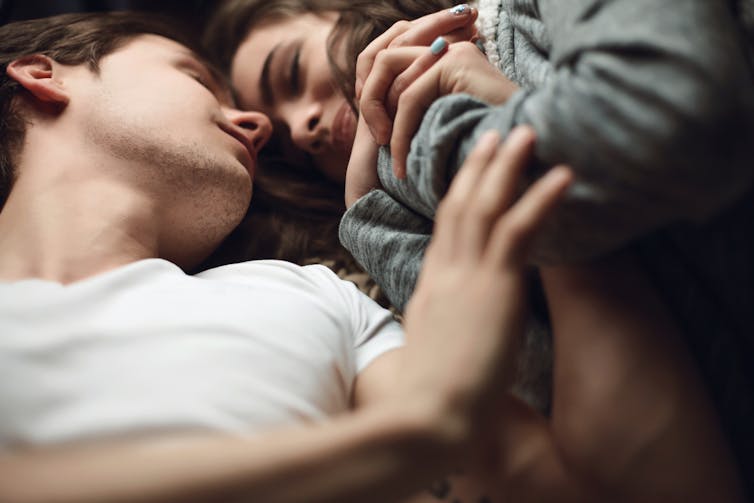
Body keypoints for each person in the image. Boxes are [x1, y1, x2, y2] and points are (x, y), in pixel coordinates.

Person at [0, 11, 743, 502]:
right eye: (196, 79)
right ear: (43, 76)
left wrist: (511, 173)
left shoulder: (314, 296)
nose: (264, 125)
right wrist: (415, 428)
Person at [210, 0, 754, 491]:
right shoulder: (403, 188)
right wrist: (368, 218)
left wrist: (492, 103)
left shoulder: (523, 15)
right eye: (295, 150)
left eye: (291, 72)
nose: (304, 128)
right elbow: (535, 382)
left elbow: (674, 121)